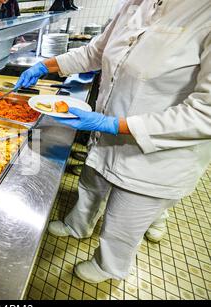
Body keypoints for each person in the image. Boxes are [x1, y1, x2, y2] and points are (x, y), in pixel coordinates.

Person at [15, 0, 211, 283]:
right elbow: (96, 52)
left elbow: (205, 113)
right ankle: (78, 225)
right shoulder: (135, 4)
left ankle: (109, 266)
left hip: (160, 150)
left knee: (126, 216)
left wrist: (116, 125)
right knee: (91, 181)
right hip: (109, 127)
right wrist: (46, 66)